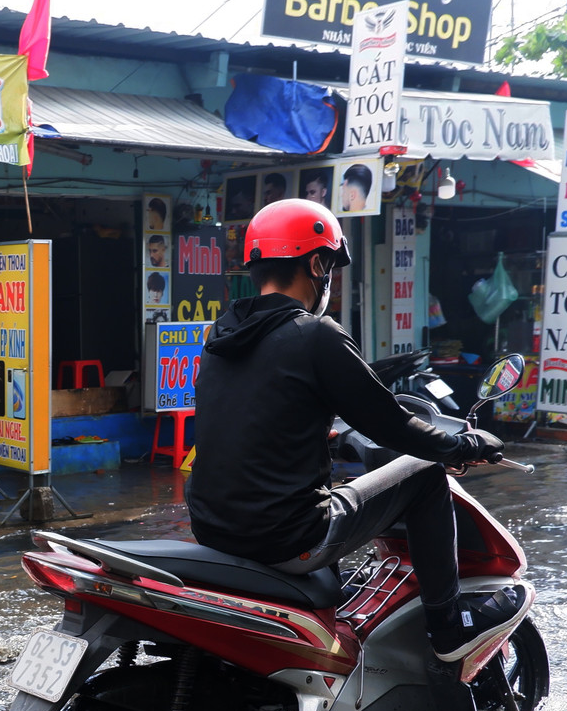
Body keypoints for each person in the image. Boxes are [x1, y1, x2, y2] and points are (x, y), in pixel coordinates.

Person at [186, 199, 529, 663]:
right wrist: (462, 445)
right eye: (330, 266)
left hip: (213, 529)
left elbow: (257, 415)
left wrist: (326, 435)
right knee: (425, 474)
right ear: (316, 265)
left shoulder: (221, 335)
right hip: (286, 537)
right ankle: (449, 625)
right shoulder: (315, 334)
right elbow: (391, 426)